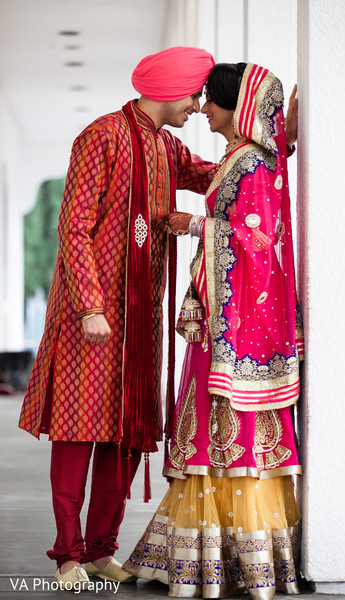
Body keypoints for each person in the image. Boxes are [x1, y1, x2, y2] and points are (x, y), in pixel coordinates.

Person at [18, 46, 218, 591]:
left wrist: (274, 141)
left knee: (124, 434)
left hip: (140, 321)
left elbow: (213, 177)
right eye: (195, 95)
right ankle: (68, 555)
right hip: (94, 316)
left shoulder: (166, 147)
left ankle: (103, 548)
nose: (198, 107)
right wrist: (89, 305)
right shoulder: (101, 136)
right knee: (79, 431)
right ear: (170, 88)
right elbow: (74, 225)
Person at [123, 62, 304, 599]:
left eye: (212, 101)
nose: (202, 109)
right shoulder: (241, 158)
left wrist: (192, 224)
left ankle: (225, 564)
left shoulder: (250, 161)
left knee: (223, 434)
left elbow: (257, 239)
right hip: (220, 321)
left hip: (234, 330)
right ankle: (208, 560)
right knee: (208, 434)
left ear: (237, 105)